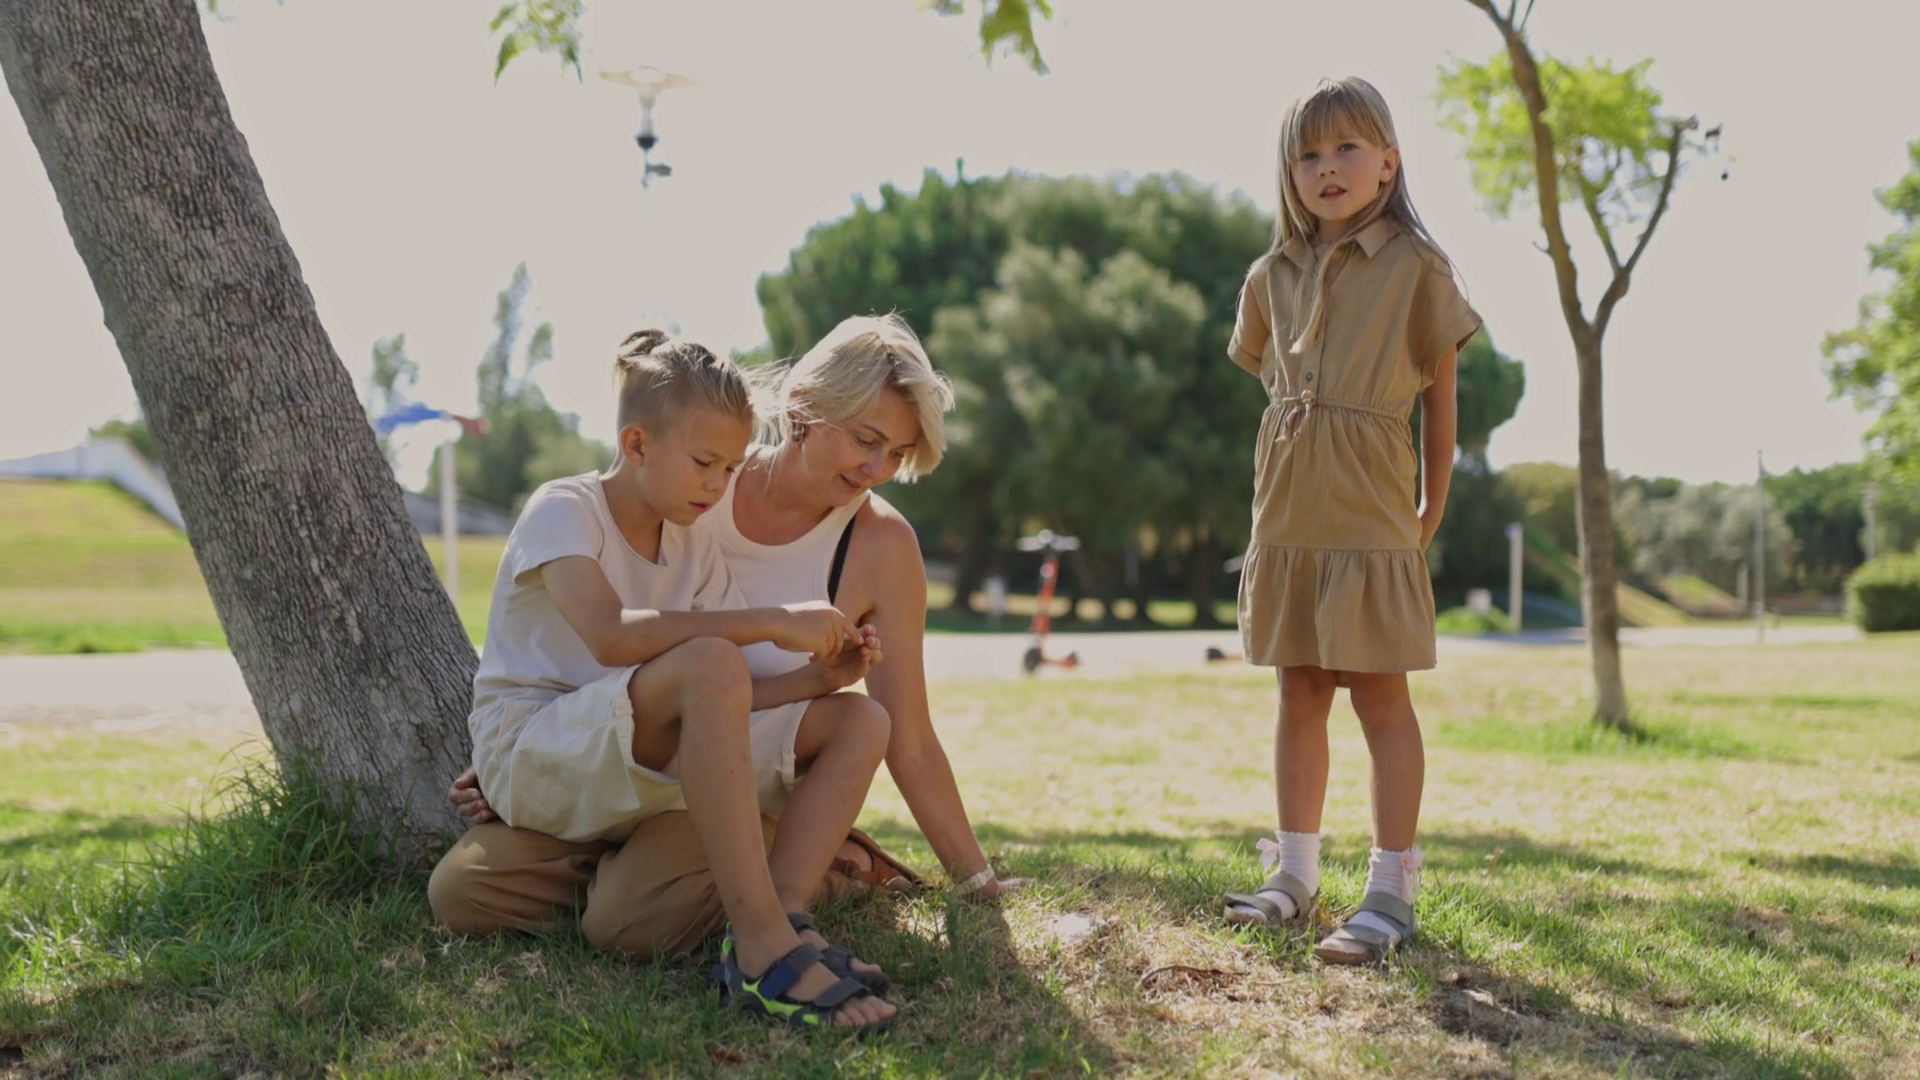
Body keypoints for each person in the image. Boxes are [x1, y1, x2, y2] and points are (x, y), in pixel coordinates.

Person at [446, 329, 898, 1032]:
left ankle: (772, 926)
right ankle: (757, 885)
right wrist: (776, 620)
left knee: (858, 717)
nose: (719, 486)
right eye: (704, 464)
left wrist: (817, 680)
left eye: (731, 468)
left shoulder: (692, 541)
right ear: (636, 445)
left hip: (641, 767)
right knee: (462, 895)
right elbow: (612, 635)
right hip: (543, 749)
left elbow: (718, 697)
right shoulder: (564, 510)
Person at [1218, 78, 1481, 964]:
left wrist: (1430, 509)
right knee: (1298, 688)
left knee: (1378, 692)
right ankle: (1294, 874)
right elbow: (1275, 391)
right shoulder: (1269, 277)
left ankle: (1389, 890)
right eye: (1307, 154)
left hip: (1373, 510)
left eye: (1346, 149)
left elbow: (1441, 403)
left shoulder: (1419, 268)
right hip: (1288, 515)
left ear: (1389, 163)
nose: (1326, 168)